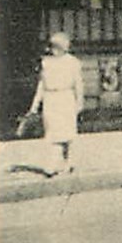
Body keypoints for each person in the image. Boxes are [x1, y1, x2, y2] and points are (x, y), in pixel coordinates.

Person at [26, 32, 85, 177]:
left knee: (68, 133)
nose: (54, 50)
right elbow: (41, 85)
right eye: (52, 47)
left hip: (65, 97)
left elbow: (78, 84)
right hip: (50, 99)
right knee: (53, 133)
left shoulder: (73, 62)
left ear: (65, 47)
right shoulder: (46, 63)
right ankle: (55, 165)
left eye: (58, 47)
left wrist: (80, 102)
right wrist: (35, 105)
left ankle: (68, 163)